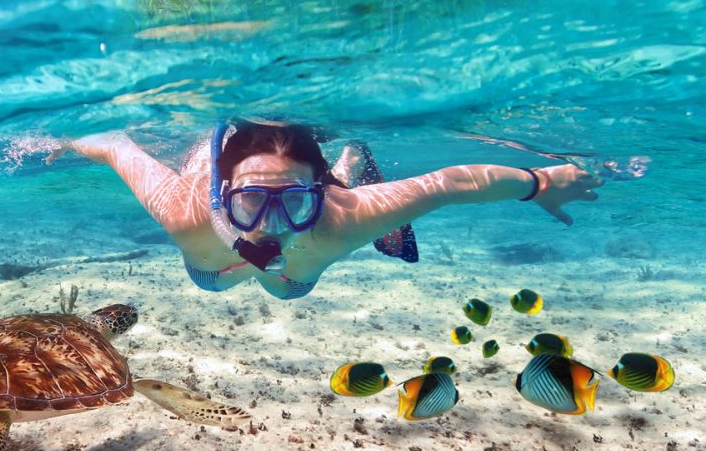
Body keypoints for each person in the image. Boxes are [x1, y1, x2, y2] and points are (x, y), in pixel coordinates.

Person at [47, 119, 602, 300]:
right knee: (214, 282)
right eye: (250, 200)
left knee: (286, 290)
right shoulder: (186, 212)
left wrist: (541, 183)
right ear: (223, 196)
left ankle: (349, 161)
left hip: (294, 280)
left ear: (321, 192)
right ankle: (213, 165)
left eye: (294, 201)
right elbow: (116, 144)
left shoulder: (344, 216)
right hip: (213, 270)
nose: (270, 225)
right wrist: (68, 140)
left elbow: (450, 184)